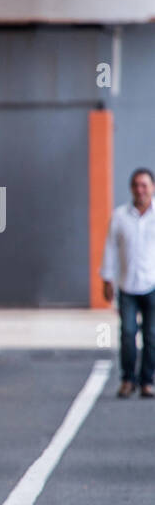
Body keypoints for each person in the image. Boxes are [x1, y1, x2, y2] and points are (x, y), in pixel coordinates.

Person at [101, 167, 155, 398]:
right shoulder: (120, 216)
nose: (140, 190)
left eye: (144, 185)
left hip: (152, 283)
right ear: (131, 189)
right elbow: (110, 248)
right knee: (128, 333)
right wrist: (107, 278)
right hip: (127, 285)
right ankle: (127, 379)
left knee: (152, 336)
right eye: (136, 185)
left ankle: (147, 381)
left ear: (152, 188)